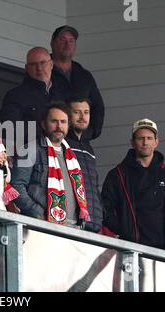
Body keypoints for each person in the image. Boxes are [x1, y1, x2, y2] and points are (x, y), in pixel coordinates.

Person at [101, 118, 165, 251]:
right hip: (132, 249)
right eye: (140, 138)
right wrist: (124, 231)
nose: (145, 142)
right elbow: (105, 210)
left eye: (149, 138)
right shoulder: (117, 175)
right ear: (132, 142)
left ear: (156, 142)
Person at [11, 101, 92, 229]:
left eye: (63, 122)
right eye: (54, 121)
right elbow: (16, 186)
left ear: (68, 125)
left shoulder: (72, 156)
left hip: (73, 229)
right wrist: (39, 215)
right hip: (42, 226)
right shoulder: (29, 149)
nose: (59, 126)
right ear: (44, 124)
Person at [0, 47, 64, 147]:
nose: (39, 68)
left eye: (43, 63)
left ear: (51, 64)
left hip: (62, 155)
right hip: (31, 156)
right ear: (27, 68)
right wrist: (44, 128)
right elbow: (7, 129)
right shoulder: (16, 95)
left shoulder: (63, 93)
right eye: (33, 64)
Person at [50, 25, 104, 140]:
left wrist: (91, 132)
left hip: (80, 142)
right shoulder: (42, 70)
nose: (67, 44)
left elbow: (98, 106)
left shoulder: (84, 75)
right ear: (52, 43)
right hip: (52, 140)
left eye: (71, 41)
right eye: (62, 40)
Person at [65, 97, 103, 232]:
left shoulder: (89, 148)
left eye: (86, 112)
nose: (82, 117)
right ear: (68, 116)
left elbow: (94, 187)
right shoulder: (63, 143)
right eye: (77, 112)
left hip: (94, 223)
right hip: (72, 222)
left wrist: (100, 217)